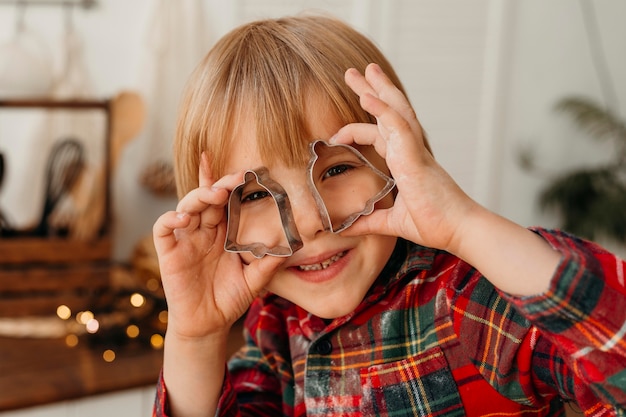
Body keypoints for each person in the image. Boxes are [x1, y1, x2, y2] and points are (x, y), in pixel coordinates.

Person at [152, 13, 626, 417]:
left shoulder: (465, 302)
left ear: (399, 162)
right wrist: (196, 339)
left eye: (337, 167)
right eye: (254, 196)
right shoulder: (276, 322)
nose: (311, 223)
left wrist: (464, 225)